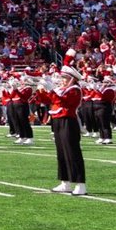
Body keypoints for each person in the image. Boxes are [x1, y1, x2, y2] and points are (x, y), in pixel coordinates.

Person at [43, 62, 86, 196]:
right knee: (61, 152)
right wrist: (42, 89)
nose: (62, 81)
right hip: (57, 121)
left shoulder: (75, 90)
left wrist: (51, 90)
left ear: (72, 79)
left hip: (68, 121)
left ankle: (81, 184)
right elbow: (48, 100)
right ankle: (65, 182)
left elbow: (63, 101)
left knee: (72, 152)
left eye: (65, 78)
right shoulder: (62, 90)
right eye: (63, 78)